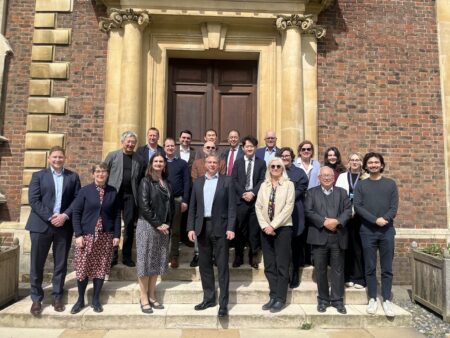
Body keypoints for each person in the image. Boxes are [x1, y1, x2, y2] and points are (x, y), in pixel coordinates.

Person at [26, 146, 81, 316]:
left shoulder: (72, 177)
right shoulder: (38, 176)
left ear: (65, 158)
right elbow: (34, 201)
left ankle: (57, 296)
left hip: (63, 227)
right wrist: (51, 217)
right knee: (37, 263)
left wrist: (64, 216)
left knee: (60, 264)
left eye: (61, 157)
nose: (58, 160)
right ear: (49, 159)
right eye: (55, 157)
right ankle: (36, 299)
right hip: (41, 226)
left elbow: (77, 200)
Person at [187, 154, 236, 317]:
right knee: (204, 265)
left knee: (222, 266)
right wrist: (190, 228)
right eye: (209, 162)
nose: (212, 164)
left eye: (215, 162)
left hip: (221, 228)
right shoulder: (199, 182)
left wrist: (230, 227)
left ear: (219, 165)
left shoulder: (227, 181)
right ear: (205, 164)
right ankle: (208, 298)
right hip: (202, 228)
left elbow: (231, 208)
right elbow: (193, 207)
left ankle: (223, 303)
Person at [70, 162, 121, 314]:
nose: (101, 174)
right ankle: (80, 300)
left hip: (105, 235)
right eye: (98, 172)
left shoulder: (113, 191)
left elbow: (117, 215)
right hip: (86, 235)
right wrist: (78, 234)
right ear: (93, 174)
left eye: (103, 171)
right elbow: (76, 213)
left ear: (107, 174)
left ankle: (96, 299)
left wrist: (117, 235)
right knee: (83, 268)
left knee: (100, 268)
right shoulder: (85, 191)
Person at [354, 152, 399, 317]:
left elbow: (394, 207)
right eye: (370, 163)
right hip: (368, 232)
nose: (373, 165)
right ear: (366, 166)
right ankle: (372, 298)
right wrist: (374, 220)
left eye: (376, 162)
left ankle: (386, 299)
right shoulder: (361, 185)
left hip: (387, 231)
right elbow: (358, 206)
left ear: (381, 165)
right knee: (370, 267)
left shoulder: (390, 184)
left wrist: (383, 219)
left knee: (387, 268)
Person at [305, 166, 352, 314]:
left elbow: (348, 211)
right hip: (319, 237)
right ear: (319, 178)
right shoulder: (311, 193)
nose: (326, 178)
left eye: (329, 176)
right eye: (324, 175)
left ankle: (338, 301)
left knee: (338, 270)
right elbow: (308, 211)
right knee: (320, 270)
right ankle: (323, 300)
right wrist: (324, 222)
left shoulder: (342, 192)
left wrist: (336, 221)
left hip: (337, 237)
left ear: (334, 178)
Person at [136, 153, 175, 314]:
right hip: (148, 226)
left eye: (161, 161)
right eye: (156, 161)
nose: (159, 164)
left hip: (163, 227)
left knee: (157, 262)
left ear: (165, 165)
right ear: (151, 164)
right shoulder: (146, 181)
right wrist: (158, 224)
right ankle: (143, 297)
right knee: (145, 262)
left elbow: (170, 206)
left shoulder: (166, 183)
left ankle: (152, 295)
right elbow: (144, 206)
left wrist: (167, 224)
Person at [255, 157, 295, 313]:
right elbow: (258, 207)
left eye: (279, 166)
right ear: (269, 168)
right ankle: (272, 296)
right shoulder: (263, 186)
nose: (276, 168)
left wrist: (273, 225)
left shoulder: (289, 185)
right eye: (273, 166)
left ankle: (280, 298)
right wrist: (265, 226)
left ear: (282, 168)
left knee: (282, 265)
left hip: (283, 229)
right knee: (269, 265)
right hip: (266, 230)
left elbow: (288, 207)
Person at [105, 131, 145, 267]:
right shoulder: (112, 156)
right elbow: (104, 173)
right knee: (111, 225)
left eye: (133, 142)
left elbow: (141, 179)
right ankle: (112, 255)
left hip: (130, 196)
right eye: (128, 142)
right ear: (122, 142)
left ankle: (126, 256)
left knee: (128, 226)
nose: (130, 144)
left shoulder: (139, 159)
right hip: (113, 195)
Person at [232, 135, 266, 268]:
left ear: (255, 148)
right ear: (243, 148)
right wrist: (243, 193)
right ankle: (238, 256)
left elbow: (262, 180)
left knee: (253, 231)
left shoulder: (261, 163)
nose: (249, 148)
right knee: (240, 230)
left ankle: (253, 256)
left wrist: (252, 193)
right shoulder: (238, 162)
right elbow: (234, 180)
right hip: (241, 201)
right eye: (247, 146)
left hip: (255, 202)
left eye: (252, 146)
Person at [335, 152, 368, 290]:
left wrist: (357, 209)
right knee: (346, 246)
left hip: (360, 217)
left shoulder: (365, 178)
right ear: (348, 162)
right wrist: (348, 210)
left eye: (357, 160)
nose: (354, 162)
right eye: (352, 160)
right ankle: (348, 277)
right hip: (346, 215)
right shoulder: (343, 176)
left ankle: (359, 278)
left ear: (361, 162)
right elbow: (338, 194)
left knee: (359, 247)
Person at [190, 141, 225, 266]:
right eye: (207, 147)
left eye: (212, 147)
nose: (210, 149)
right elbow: (194, 179)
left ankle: (215, 256)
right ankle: (197, 255)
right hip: (200, 197)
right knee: (199, 228)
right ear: (203, 149)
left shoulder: (220, 163)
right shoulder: (197, 163)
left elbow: (222, 178)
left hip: (216, 200)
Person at [277, 147, 309, 288]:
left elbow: (301, 189)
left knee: (295, 245)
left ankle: (295, 273)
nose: (285, 158)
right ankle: (282, 275)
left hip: (295, 211)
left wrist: (286, 199)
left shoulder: (299, 173)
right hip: (278, 213)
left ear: (292, 157)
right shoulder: (275, 170)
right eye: (282, 156)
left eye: (287, 156)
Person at [164, 138, 190, 268]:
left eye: (172, 146)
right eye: (167, 146)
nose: (170, 148)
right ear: (164, 147)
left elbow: (187, 182)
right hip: (162, 201)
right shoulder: (159, 162)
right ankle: (162, 256)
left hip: (177, 199)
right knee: (162, 229)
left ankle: (174, 256)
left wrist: (185, 200)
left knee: (175, 230)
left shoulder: (182, 163)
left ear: (176, 147)